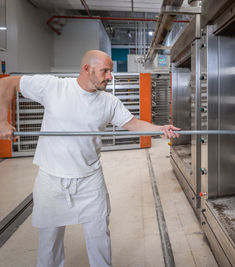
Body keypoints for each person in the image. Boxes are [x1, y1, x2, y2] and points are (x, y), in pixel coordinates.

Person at [0, 50, 180, 267]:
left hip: (89, 180)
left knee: (99, 239)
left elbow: (132, 123)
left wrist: (159, 128)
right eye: (105, 71)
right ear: (87, 69)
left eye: (111, 71)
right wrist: (2, 121)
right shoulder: (53, 87)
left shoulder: (108, 102)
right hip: (51, 180)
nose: (110, 76)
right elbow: (7, 84)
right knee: (49, 246)